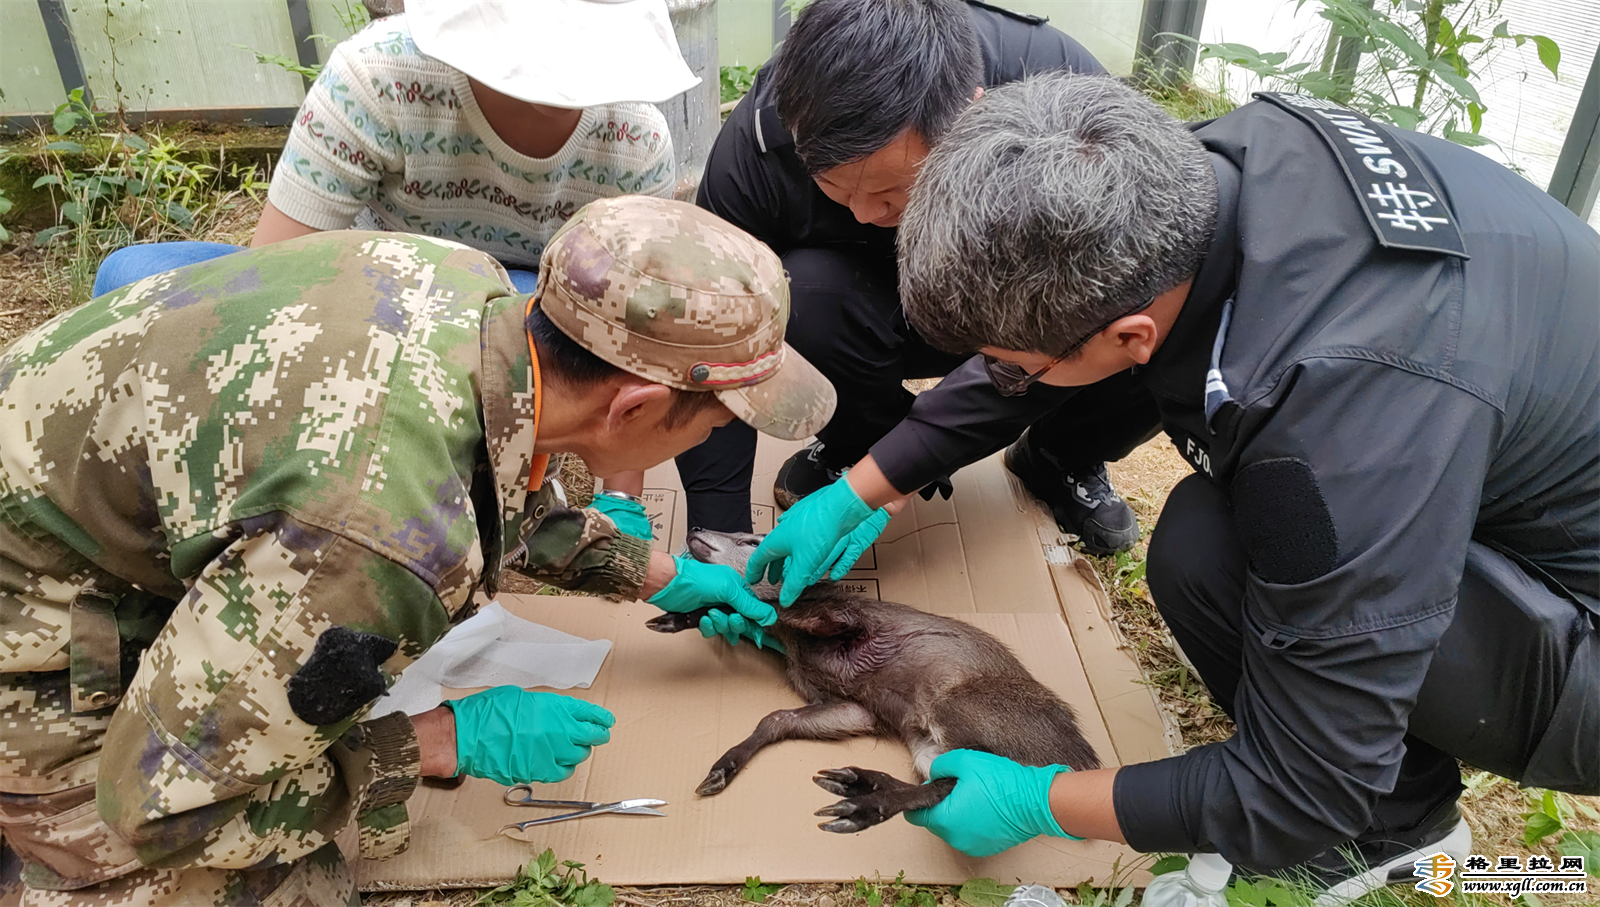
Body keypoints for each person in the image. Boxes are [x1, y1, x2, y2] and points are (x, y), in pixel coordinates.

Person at [745, 73, 1600, 902]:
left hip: (1580, 639)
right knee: (1202, 534)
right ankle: (1402, 787)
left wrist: (1042, 798)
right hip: (1498, 473)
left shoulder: (1338, 427)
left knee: (1226, 551)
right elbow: (1051, 337)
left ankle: (1405, 836)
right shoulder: (1192, 177)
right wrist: (861, 489)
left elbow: (1308, 784)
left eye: (1009, 370)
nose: (1002, 379)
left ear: (1132, 335)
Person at [0, 196, 834, 905]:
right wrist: (436, 741)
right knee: (290, 878)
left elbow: (487, 470)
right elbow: (158, 805)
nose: (715, 440)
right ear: (635, 409)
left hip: (80, 502)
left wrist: (659, 573)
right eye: (716, 423)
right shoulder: (370, 544)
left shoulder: (466, 286)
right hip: (34, 616)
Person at [671, 0, 1153, 556]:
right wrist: (720, 536)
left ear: (970, 117)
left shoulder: (1065, 106)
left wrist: (917, 454)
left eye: (889, 191)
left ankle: (1062, 454)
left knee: (1147, 313)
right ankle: (857, 442)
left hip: (1023, 314)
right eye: (834, 187)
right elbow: (711, 341)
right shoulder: (759, 142)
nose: (862, 214)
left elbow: (1139, 283)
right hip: (868, 309)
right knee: (803, 295)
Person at [90, 0, 692, 298]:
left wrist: (621, 497)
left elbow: (626, 326)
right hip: (367, 282)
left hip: (517, 309)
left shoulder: (636, 142)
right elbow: (273, 276)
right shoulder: (378, 76)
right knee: (128, 278)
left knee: (510, 317)